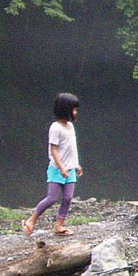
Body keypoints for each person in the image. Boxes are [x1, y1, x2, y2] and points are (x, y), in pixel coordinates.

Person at [23, 93, 83, 236]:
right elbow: (54, 149)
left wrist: (76, 164)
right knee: (52, 198)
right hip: (57, 169)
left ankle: (59, 225)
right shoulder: (55, 127)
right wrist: (61, 167)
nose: (75, 113)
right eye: (73, 109)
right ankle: (31, 220)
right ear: (65, 109)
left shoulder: (70, 127)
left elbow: (72, 148)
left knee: (68, 198)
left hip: (70, 169)